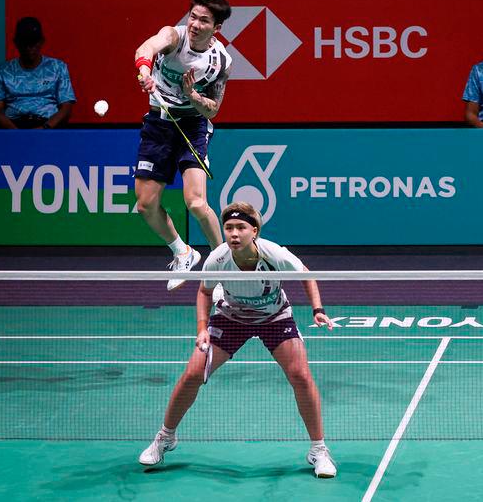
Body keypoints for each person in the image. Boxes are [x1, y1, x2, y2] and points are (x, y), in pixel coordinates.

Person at [138, 201, 338, 478]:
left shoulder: (274, 254)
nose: (233, 233)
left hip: (274, 317)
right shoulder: (217, 259)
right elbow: (205, 292)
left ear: (254, 231)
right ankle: (165, 437)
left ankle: (319, 450)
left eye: (240, 227)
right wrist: (202, 329)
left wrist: (318, 310)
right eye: (229, 227)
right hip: (230, 318)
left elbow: (305, 274)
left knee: (301, 376)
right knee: (193, 373)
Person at [133, 0, 233, 291]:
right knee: (145, 205)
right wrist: (144, 72)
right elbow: (146, 47)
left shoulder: (220, 61)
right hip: (159, 125)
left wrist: (192, 95)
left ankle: (222, 270)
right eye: (193, 17)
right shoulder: (173, 37)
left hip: (193, 126)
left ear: (216, 28)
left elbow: (213, 109)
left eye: (203, 21)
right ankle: (182, 251)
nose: (194, 24)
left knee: (197, 203)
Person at [0, 17, 75, 129]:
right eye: (24, 43)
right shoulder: (2, 71)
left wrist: (44, 129)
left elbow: (66, 108)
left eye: (33, 42)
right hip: (12, 125)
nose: (29, 47)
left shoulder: (58, 67)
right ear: (16, 43)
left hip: (47, 125)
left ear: (42, 42)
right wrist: (16, 134)